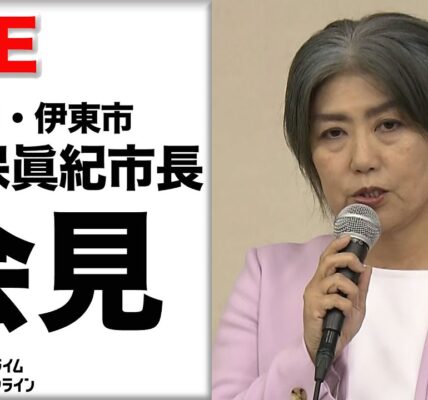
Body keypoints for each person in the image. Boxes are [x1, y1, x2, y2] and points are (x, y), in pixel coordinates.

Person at [212, 12, 428, 400]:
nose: (362, 159)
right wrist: (307, 355)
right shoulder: (267, 279)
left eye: (389, 125)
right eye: (333, 132)